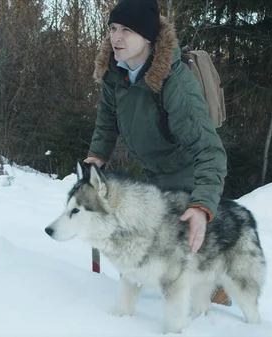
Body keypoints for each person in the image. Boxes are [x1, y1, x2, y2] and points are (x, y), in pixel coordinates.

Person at [84, 0, 230, 305]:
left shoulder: (176, 85)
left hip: (187, 172)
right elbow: (107, 121)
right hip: (155, 171)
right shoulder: (115, 72)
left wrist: (202, 205)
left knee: (189, 248)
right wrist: (96, 157)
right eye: (113, 28)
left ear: (148, 37)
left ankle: (218, 302)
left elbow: (210, 151)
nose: (116, 37)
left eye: (127, 30)